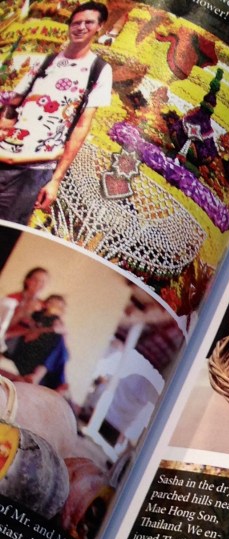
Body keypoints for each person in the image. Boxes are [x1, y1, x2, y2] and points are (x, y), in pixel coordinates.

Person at [0, 2, 113, 225]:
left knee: (6, 232)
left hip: (35, 168)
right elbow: (13, 104)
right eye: (76, 22)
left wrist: (56, 180)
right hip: (5, 154)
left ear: (99, 27)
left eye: (88, 22)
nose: (81, 27)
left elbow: (81, 127)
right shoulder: (47, 61)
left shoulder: (98, 70)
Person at [3, 293, 69, 391]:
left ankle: (47, 379)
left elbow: (61, 334)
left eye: (59, 306)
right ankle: (55, 381)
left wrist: (45, 331)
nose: (55, 307)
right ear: (46, 303)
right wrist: (42, 331)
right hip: (25, 350)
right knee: (60, 346)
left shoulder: (56, 321)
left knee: (60, 346)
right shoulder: (36, 315)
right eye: (53, 303)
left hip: (37, 355)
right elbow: (26, 332)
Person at [2, 266, 49, 348]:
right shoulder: (12, 298)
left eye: (43, 281)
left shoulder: (44, 306)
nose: (38, 284)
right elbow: (2, 325)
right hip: (8, 341)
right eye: (35, 280)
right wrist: (22, 311)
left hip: (27, 345)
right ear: (27, 281)